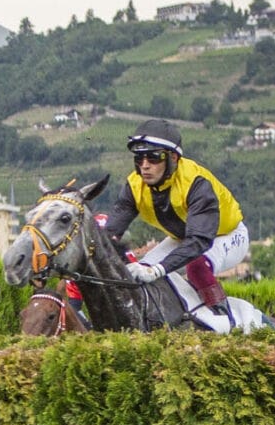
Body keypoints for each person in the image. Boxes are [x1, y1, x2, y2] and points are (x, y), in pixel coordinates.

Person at [100, 119, 246, 327]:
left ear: (173, 158)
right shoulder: (134, 185)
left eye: (153, 157)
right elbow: (111, 234)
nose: (145, 166)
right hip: (182, 238)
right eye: (140, 158)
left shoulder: (196, 183)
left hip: (226, 235)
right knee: (141, 273)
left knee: (196, 267)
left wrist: (158, 270)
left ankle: (227, 320)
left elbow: (198, 241)